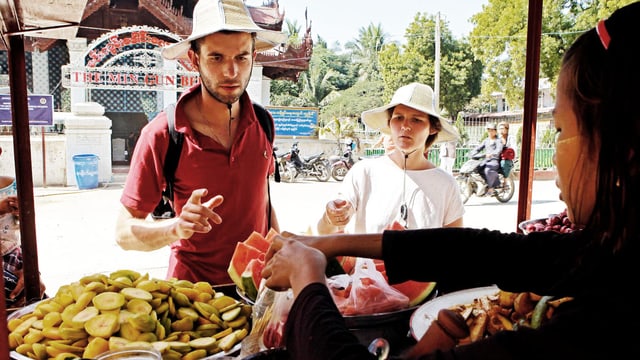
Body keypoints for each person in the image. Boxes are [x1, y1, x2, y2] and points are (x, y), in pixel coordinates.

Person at [261, 3, 640, 359]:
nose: (554, 148)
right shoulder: (606, 255)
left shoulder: (607, 317)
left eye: (558, 128)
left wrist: (308, 278)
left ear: (624, 146)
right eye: (398, 118)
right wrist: (326, 243)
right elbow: (483, 251)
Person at [115, 0, 287, 285]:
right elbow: (123, 233)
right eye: (216, 58)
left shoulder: (263, 122)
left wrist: (279, 249)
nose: (231, 72)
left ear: (254, 57)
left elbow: (263, 201)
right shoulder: (161, 134)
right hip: (191, 301)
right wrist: (175, 227)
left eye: (241, 58)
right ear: (194, 60)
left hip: (256, 289)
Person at [317, 83, 464, 235]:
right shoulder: (364, 172)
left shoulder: (446, 184)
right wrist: (332, 216)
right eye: (399, 117)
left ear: (433, 128)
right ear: (389, 123)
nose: (405, 126)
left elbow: (454, 246)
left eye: (417, 120)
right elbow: (324, 232)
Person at [470, 122, 503, 196]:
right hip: (486, 160)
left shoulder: (498, 140)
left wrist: (492, 154)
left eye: (492, 130)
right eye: (489, 130)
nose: (490, 132)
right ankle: (485, 183)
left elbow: (499, 149)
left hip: (494, 160)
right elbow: (479, 148)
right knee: (476, 168)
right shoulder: (486, 140)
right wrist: (472, 152)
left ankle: (491, 188)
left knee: (487, 170)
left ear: (495, 131)